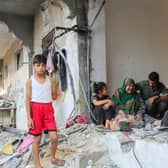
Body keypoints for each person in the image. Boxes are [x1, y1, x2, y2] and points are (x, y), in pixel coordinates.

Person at [25, 54, 65, 168]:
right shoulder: (30, 81)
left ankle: (53, 158)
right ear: (33, 66)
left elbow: (53, 97)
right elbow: (27, 99)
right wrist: (29, 118)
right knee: (37, 139)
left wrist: (56, 92)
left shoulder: (50, 80)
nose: (41, 68)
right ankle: (37, 165)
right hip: (36, 109)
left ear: (46, 66)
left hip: (48, 109)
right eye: (38, 65)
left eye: (43, 65)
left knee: (54, 137)